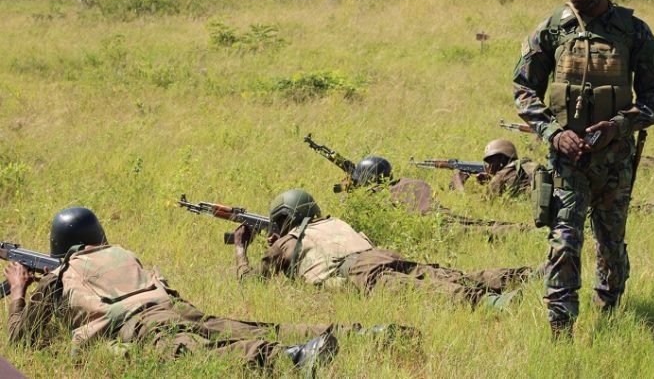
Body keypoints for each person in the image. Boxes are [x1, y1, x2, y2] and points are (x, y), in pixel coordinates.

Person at [511, 0, 654, 337]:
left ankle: (610, 314)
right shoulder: (552, 29)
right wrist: (553, 133)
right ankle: (560, 328)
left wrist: (620, 126)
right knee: (564, 242)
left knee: (611, 243)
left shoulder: (633, 32)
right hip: (567, 161)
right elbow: (523, 89)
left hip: (615, 161)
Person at [4, 207, 337, 373]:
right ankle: (351, 333)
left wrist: (19, 291)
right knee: (239, 328)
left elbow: (22, 340)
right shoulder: (121, 252)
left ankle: (291, 357)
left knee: (195, 352)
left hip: (140, 326)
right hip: (172, 307)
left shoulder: (61, 274)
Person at [234, 189, 530, 309]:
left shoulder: (288, 242)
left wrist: (240, 248)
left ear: (286, 218)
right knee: (448, 275)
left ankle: (494, 305)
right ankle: (522, 276)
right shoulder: (334, 221)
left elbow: (250, 282)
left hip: (359, 270)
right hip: (382, 255)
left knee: (423, 291)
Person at [450, 139, 539, 199]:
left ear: (502, 159)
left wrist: (459, 185)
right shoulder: (527, 165)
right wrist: (492, 179)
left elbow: (482, 204)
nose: (489, 166)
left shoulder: (502, 175)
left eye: (492, 161)